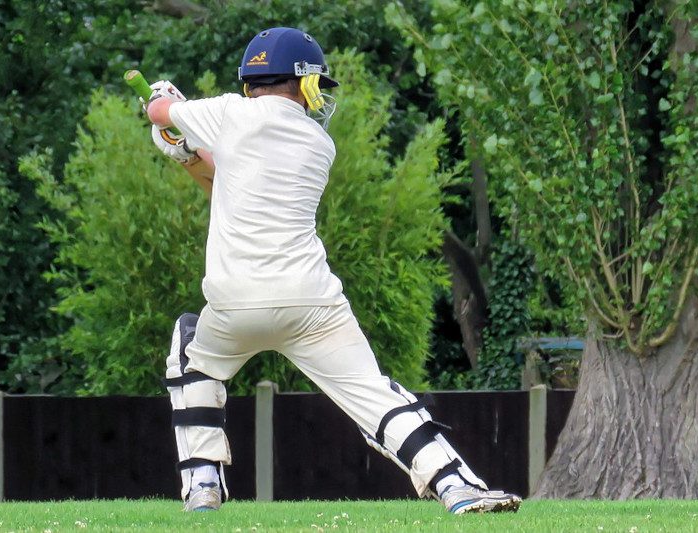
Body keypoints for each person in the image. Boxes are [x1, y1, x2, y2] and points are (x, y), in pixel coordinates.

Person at [144, 27, 522, 515]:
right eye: (315, 85)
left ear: (251, 82)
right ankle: (456, 485)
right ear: (299, 83)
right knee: (374, 393)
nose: (318, 95)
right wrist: (191, 150)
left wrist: (168, 107)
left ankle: (202, 486)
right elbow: (236, 174)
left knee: (190, 356)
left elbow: (164, 117)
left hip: (235, 302)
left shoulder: (230, 113)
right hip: (311, 301)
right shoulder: (318, 144)